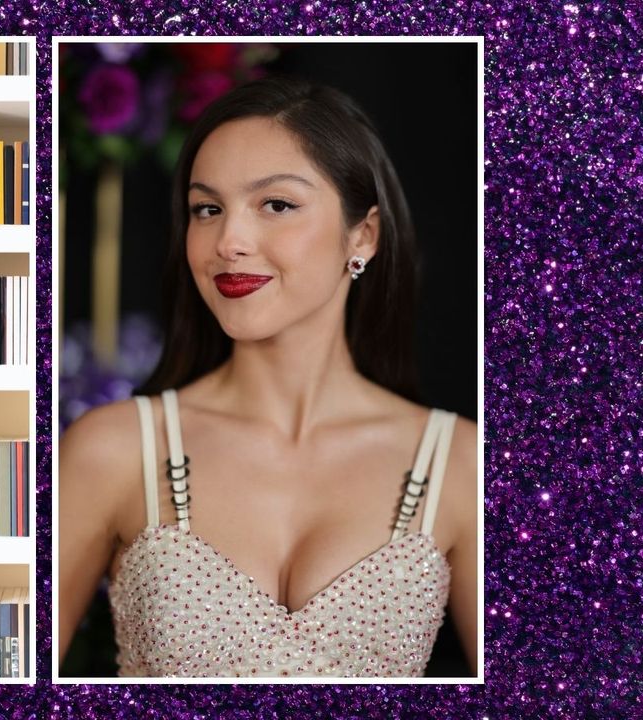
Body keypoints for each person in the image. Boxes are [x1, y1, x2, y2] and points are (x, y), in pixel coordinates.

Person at [58, 76, 478, 678]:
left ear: (363, 235)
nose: (228, 241)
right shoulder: (112, 449)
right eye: (207, 209)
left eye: (276, 204)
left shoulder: (459, 464)